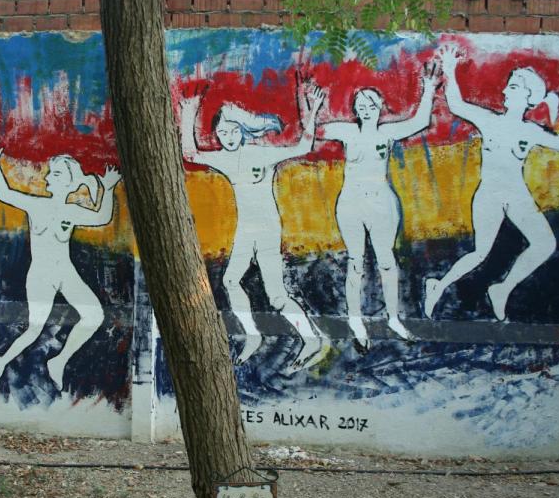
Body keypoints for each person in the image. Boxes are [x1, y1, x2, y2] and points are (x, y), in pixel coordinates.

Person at [424, 45, 559, 321]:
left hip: (517, 195)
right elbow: (455, 104)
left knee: (544, 244)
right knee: (480, 252)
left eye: (512, 87)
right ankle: (438, 286)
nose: (504, 91)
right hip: (489, 194)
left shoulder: (530, 130)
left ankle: (502, 288)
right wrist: (451, 69)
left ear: (528, 96)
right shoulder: (491, 121)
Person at [178, 82, 327, 373]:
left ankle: (311, 340)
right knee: (231, 281)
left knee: (277, 295)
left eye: (233, 131)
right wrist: (188, 115)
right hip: (246, 229)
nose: (228, 137)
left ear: (243, 131)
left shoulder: (261, 153)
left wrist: (312, 112)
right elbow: (191, 155)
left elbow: (303, 146)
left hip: (268, 229)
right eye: (222, 133)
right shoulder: (222, 158)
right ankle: (253, 335)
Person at [0, 140, 121, 393]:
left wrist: (109, 188)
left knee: (94, 316)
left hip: (65, 272)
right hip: (42, 274)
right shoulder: (38, 205)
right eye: (51, 172)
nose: (48, 176)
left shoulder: (72, 210)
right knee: (35, 329)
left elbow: (102, 216)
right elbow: (4, 193)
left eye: (56, 173)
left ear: (69, 182)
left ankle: (59, 360)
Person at [320, 63, 439, 350]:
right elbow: (317, 130)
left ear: (380, 107)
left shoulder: (387, 133)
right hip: (350, 203)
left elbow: (420, 121)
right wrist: (311, 105)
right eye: (361, 104)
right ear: (355, 110)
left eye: (371, 103)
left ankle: (394, 318)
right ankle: (355, 320)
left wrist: (430, 88)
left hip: (382, 203)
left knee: (387, 261)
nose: (366, 107)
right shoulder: (347, 132)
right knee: (355, 261)